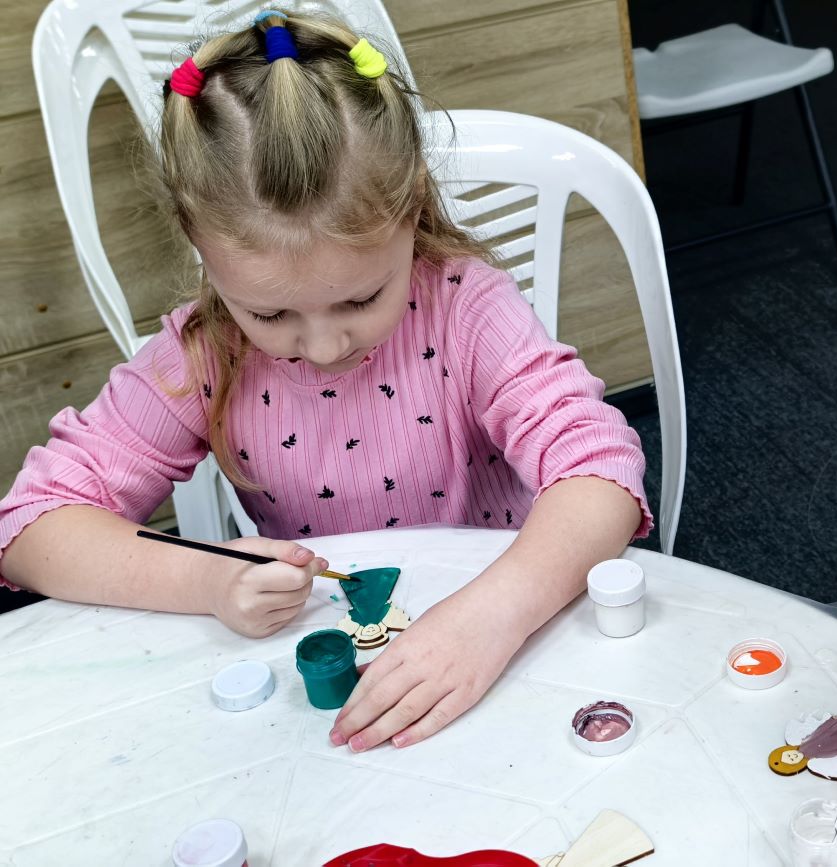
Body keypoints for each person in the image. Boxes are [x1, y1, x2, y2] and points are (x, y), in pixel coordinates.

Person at [0, 11, 650, 754]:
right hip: (336, 672)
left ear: (412, 208)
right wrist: (205, 578)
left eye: (361, 299)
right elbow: (30, 526)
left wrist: (491, 617)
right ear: (198, 245)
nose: (324, 345)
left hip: (511, 633)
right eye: (270, 313)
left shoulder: (466, 311)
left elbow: (602, 473)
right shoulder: (204, 353)